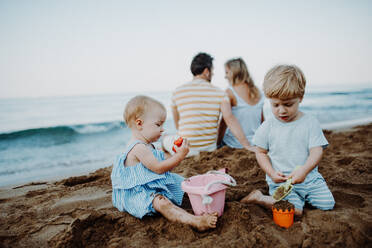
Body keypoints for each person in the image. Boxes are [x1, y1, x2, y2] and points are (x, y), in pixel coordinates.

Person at [111, 95, 218, 231]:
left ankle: (209, 201)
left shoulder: (149, 145)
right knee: (163, 203)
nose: (162, 129)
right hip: (141, 192)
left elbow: (164, 159)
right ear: (139, 124)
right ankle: (195, 221)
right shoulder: (138, 147)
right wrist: (179, 156)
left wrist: (174, 152)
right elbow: (158, 168)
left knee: (186, 184)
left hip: (153, 185)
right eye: (158, 124)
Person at [241, 65, 335, 216]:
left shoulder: (310, 122)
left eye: (288, 104)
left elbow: (316, 150)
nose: (282, 110)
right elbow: (260, 152)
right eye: (275, 105)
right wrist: (271, 173)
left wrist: (304, 170)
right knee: (294, 211)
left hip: (309, 179)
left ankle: (302, 196)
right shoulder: (268, 127)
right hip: (282, 181)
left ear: (301, 98)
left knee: (327, 204)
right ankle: (259, 198)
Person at [162, 52, 253, 156]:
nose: (213, 74)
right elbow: (230, 119)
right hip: (209, 149)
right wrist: (246, 145)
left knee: (165, 138)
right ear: (206, 71)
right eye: (212, 70)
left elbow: (178, 124)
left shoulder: (177, 92)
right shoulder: (220, 93)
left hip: (184, 150)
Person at [217, 58, 264, 150]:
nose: (225, 76)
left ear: (234, 73)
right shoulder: (259, 92)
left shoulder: (230, 92)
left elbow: (224, 122)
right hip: (255, 142)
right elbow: (262, 122)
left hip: (234, 143)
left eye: (226, 72)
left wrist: (218, 142)